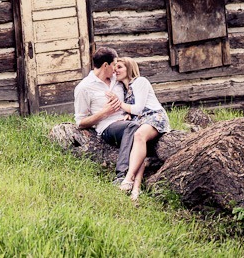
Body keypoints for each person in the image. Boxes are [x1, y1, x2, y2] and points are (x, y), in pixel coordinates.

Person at [73, 47, 135, 185]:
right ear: (106, 65)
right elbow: (80, 122)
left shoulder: (117, 79)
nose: (115, 69)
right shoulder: (84, 88)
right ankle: (121, 175)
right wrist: (104, 112)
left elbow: (132, 96)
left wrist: (128, 112)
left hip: (128, 121)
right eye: (114, 65)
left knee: (138, 127)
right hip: (108, 128)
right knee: (131, 128)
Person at [113, 56, 171, 200]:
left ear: (129, 68)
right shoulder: (125, 90)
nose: (115, 70)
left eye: (119, 67)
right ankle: (136, 189)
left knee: (138, 136)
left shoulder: (140, 82)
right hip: (141, 121)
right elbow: (133, 110)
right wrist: (127, 114)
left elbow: (138, 109)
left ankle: (128, 178)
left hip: (154, 116)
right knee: (136, 145)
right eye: (115, 67)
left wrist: (119, 104)